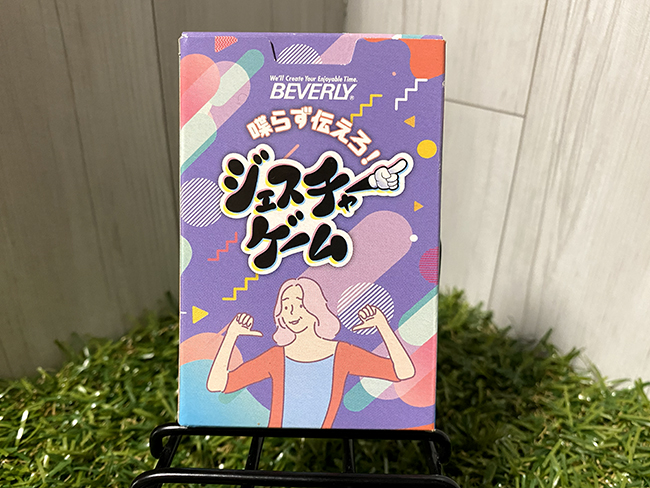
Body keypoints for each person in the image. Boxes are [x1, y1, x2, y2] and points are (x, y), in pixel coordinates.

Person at [207, 277, 415, 428]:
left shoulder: (342, 354)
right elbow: (217, 384)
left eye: (299, 304)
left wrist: (382, 326)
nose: (291, 312)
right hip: (278, 438)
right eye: (286, 306)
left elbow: (403, 372)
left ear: (315, 307)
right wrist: (231, 335)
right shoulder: (275, 357)